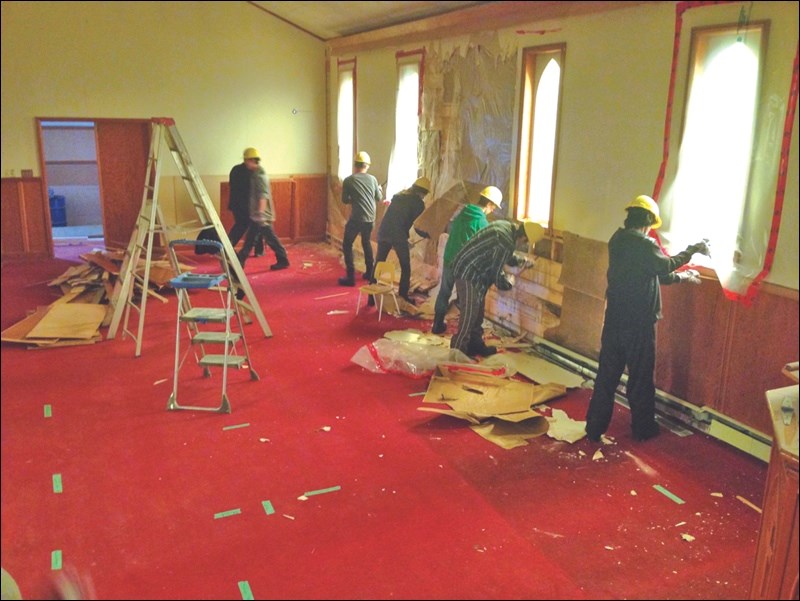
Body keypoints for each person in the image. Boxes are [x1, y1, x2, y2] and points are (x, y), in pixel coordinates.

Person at [584, 195, 710, 442]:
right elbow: (666, 266)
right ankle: (643, 429)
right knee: (640, 379)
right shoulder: (644, 244)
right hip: (639, 326)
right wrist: (694, 249)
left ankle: (594, 428)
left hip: (614, 322)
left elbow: (653, 275)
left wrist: (683, 278)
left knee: (606, 378)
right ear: (649, 221)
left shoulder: (617, 240)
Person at [449, 219, 538, 357]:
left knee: (478, 312)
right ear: (524, 237)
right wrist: (508, 284)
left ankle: (475, 345)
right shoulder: (505, 240)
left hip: (476, 272)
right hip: (467, 271)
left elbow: (504, 255)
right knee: (470, 312)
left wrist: (522, 261)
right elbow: (496, 273)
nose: (523, 245)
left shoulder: (506, 227)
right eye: (525, 242)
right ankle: (457, 352)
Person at [431, 185, 503, 334]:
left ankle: (437, 325)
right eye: (494, 207)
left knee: (444, 291)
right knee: (466, 299)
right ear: (489, 203)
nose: (493, 210)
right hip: (463, 265)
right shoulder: (482, 223)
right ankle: (464, 332)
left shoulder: (462, 213)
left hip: (449, 257)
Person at [372, 176, 430, 304]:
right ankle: (403, 295)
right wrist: (427, 235)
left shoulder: (399, 196)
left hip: (384, 231)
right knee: (405, 266)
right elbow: (418, 225)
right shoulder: (418, 203)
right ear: (423, 192)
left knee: (379, 263)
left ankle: (371, 296)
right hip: (398, 235)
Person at [236, 149, 289, 271]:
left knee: (270, 239)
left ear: (252, 160)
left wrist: (260, 214)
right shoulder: (255, 174)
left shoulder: (260, 176)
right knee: (250, 239)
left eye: (246, 160)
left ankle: (283, 259)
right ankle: (241, 258)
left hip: (262, 216)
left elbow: (263, 196)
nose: (245, 163)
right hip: (258, 215)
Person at [338, 151, 383, 286]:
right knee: (366, 243)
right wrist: (379, 189)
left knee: (347, 244)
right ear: (367, 166)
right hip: (370, 218)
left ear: (355, 165)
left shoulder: (349, 180)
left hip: (357, 218)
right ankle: (369, 272)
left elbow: (345, 200)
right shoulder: (373, 179)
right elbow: (378, 198)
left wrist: (353, 198)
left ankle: (350, 277)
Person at [227, 148, 264, 257]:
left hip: (237, 204)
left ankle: (228, 247)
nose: (255, 162)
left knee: (246, 225)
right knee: (248, 226)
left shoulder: (235, 169)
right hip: (245, 205)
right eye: (253, 160)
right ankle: (257, 250)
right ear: (248, 160)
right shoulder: (254, 172)